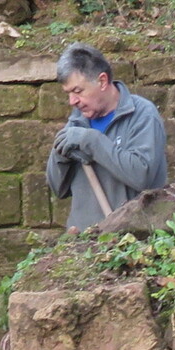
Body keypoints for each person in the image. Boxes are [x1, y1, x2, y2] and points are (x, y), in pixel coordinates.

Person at [44, 42, 168, 230]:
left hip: (134, 238)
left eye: (78, 91)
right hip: (84, 240)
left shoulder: (142, 115)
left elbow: (141, 176)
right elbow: (57, 189)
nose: (72, 101)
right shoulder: (77, 122)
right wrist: (60, 156)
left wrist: (91, 141)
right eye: (68, 93)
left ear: (102, 81)